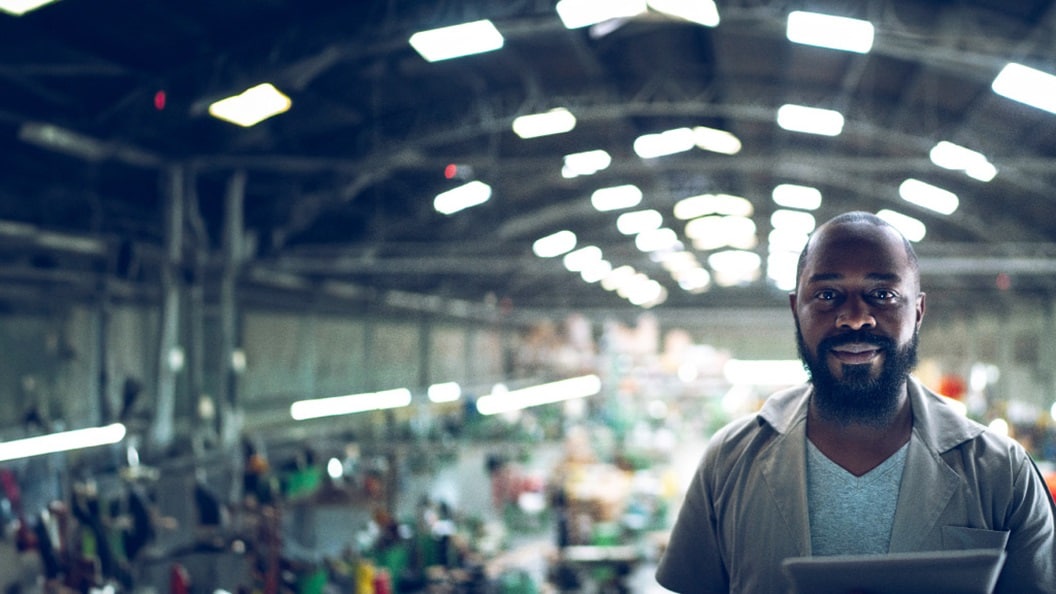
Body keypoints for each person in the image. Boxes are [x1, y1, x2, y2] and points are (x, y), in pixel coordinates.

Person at [655, 211, 1056, 593]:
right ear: (797, 310)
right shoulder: (729, 460)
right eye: (828, 295)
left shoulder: (1002, 471)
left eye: (882, 294)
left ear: (917, 312)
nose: (855, 318)